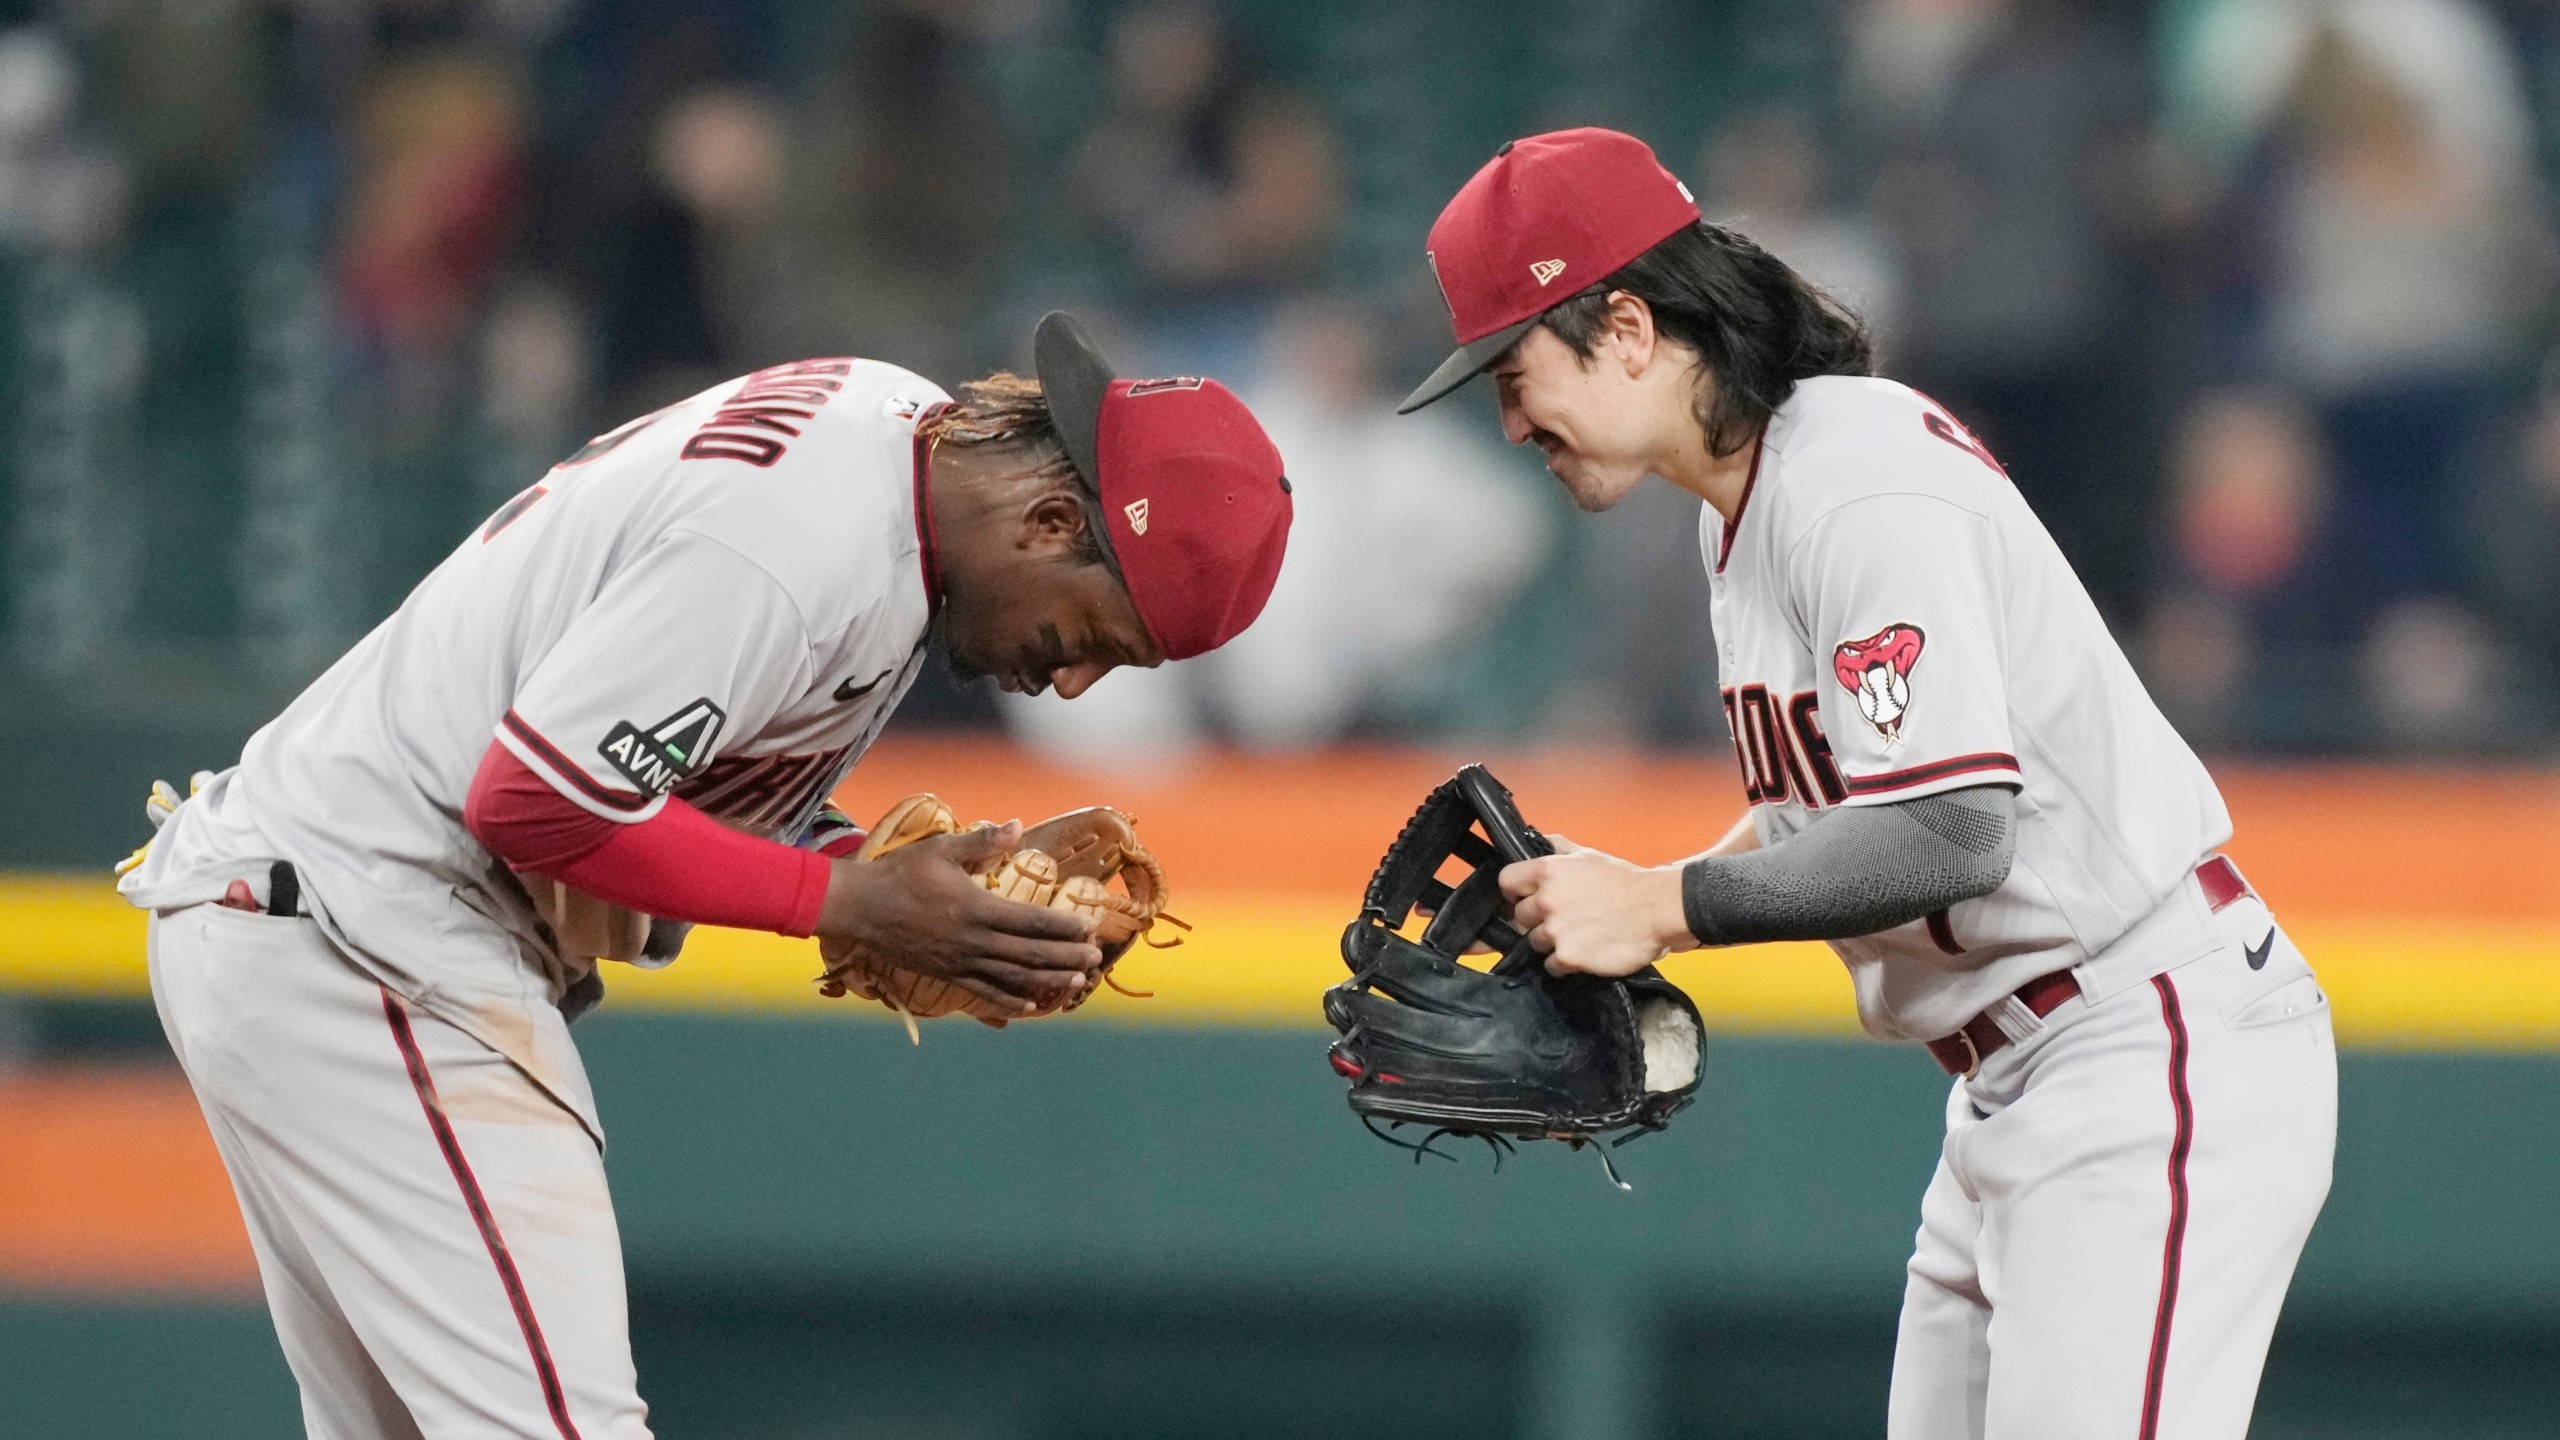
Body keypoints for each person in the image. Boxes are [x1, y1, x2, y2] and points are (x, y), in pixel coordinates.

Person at [115, 312, 1292, 1440]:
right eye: (1100, 635)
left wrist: (889, 884)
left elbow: (658, 768)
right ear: (1046, 522)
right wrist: (842, 902)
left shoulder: (890, 445)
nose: (1077, 682)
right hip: (371, 932)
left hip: (309, 915)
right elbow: (536, 799)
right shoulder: (804, 541)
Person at [1398, 128, 2334, 1440]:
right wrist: (1600, 918)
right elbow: (1832, 825)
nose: (1509, 420)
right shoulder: (1747, 506)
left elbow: (1953, 836)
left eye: (1514, 371)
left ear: (1622, 327)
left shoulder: (1853, 479)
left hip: (2140, 1042)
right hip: (2019, 1076)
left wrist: (1661, 903)